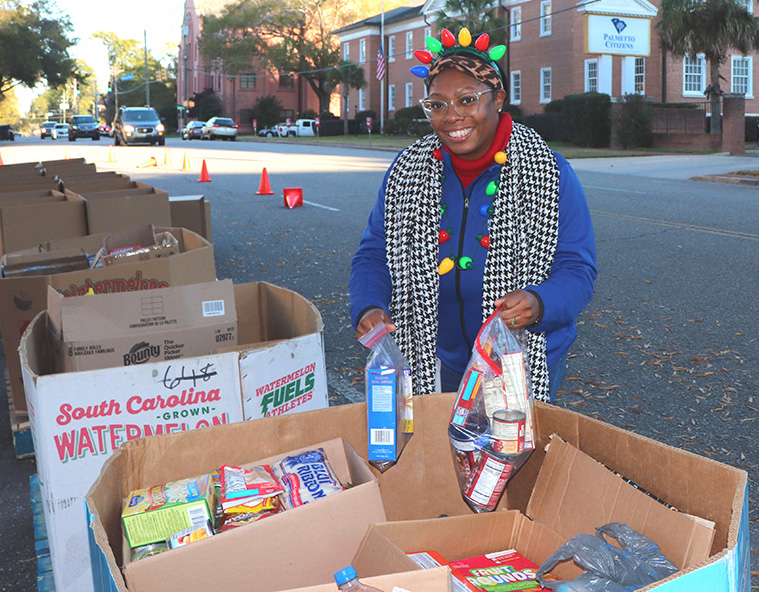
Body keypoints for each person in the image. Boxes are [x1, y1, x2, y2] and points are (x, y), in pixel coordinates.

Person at [349, 28, 597, 403]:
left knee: (507, 456)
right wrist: (369, 305)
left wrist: (539, 300)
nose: (451, 117)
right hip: (432, 357)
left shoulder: (548, 171)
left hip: (519, 358)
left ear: (497, 98)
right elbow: (374, 253)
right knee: (439, 452)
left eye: (467, 100)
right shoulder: (406, 172)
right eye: (437, 105)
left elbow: (578, 270)